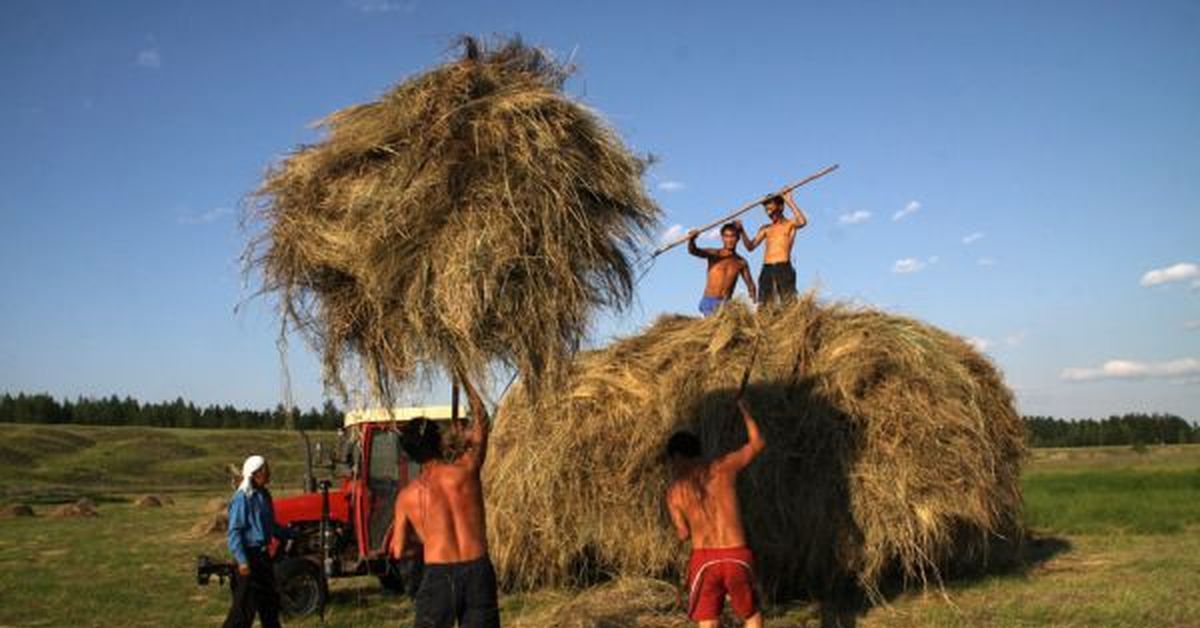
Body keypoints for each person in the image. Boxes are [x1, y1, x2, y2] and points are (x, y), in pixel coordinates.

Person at [391, 375, 500, 628]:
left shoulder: (407, 497)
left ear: (411, 455)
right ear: (438, 440)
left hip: (439, 574)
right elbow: (482, 420)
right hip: (478, 570)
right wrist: (463, 375)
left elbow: (398, 550)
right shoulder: (467, 470)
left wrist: (426, 539)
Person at [666, 397, 767, 628]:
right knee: (751, 614)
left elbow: (683, 534)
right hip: (737, 555)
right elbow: (758, 442)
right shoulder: (724, 467)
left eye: (672, 461)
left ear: (678, 457)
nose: (672, 467)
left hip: (704, 560)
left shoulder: (674, 491)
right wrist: (746, 410)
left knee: (708, 621)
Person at [224, 455, 296, 628]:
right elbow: (234, 532)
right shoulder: (242, 498)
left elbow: (270, 526)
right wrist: (242, 561)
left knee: (269, 606)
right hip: (249, 558)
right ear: (255, 474)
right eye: (265, 469)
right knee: (243, 610)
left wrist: (291, 533)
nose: (269, 472)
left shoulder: (264, 495)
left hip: (263, 558)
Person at [736, 188, 808, 306]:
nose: (769, 213)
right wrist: (742, 230)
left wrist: (789, 200)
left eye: (771, 209)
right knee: (765, 303)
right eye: (766, 210)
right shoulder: (765, 228)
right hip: (767, 268)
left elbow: (802, 221)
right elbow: (750, 246)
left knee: (788, 301)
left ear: (780, 207)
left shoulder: (789, 224)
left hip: (783, 266)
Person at [688, 222, 757, 316]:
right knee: (712, 328)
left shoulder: (741, 262)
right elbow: (693, 251)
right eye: (726, 236)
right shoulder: (714, 254)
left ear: (738, 238)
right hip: (710, 302)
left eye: (733, 236)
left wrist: (754, 300)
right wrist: (692, 240)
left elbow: (751, 285)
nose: (730, 240)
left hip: (726, 304)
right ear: (722, 238)